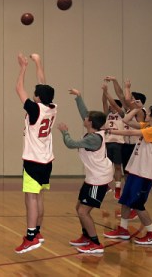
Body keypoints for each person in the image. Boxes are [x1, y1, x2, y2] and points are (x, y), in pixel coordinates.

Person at [57, 88, 113, 254]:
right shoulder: (93, 130)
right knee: (78, 207)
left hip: (99, 179)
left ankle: (95, 243)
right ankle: (86, 236)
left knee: (83, 211)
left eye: (87, 118)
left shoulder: (92, 139)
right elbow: (84, 112)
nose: (85, 117)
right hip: (93, 177)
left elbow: (71, 144)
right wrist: (79, 97)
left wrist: (65, 131)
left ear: (91, 123)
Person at [103, 104, 152, 245]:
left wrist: (110, 131)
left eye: (148, 112)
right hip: (135, 170)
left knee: (137, 204)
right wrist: (137, 108)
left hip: (144, 173)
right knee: (126, 200)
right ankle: (123, 229)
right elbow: (126, 121)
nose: (146, 113)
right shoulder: (147, 127)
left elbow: (130, 133)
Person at [14, 53, 56, 254]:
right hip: (46, 160)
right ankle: (37, 231)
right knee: (39, 197)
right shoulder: (51, 107)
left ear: (38, 97)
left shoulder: (34, 109)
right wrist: (39, 62)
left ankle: (30, 237)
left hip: (33, 160)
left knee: (30, 198)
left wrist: (23, 68)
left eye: (35, 93)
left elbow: (18, 89)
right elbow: (43, 84)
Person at [104, 76, 144, 220]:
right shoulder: (127, 113)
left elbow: (125, 98)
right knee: (127, 177)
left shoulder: (141, 112)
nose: (129, 99)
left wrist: (127, 87)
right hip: (126, 146)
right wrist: (114, 81)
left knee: (131, 178)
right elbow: (120, 98)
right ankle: (131, 207)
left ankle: (134, 206)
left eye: (132, 98)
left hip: (135, 146)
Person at [101, 82, 125, 199]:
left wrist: (107, 91)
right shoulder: (107, 114)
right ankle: (106, 186)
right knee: (106, 166)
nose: (110, 106)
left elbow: (113, 103)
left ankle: (118, 188)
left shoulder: (122, 114)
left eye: (112, 105)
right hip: (107, 142)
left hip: (118, 143)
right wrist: (104, 92)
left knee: (117, 166)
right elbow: (104, 102)